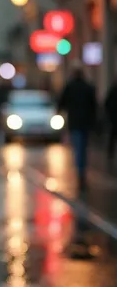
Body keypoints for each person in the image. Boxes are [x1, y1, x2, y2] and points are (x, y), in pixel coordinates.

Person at [58, 60, 97, 193]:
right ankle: (82, 171)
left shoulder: (70, 87)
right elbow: (94, 106)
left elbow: (62, 102)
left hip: (75, 122)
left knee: (78, 148)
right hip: (86, 123)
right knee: (83, 148)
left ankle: (80, 172)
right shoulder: (88, 87)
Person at [104, 80, 117, 166]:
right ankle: (110, 153)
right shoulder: (113, 90)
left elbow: (107, 103)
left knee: (112, 136)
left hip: (113, 118)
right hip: (114, 118)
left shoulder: (112, 90)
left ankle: (110, 153)